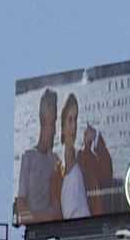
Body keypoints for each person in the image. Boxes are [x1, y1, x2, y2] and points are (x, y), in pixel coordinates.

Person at [15, 88, 62, 223]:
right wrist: (42, 217)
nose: (54, 131)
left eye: (55, 123)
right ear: (42, 121)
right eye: (51, 124)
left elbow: (57, 208)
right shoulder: (28, 158)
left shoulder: (55, 161)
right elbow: (21, 208)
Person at [57, 94, 91, 220]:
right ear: (62, 127)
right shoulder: (57, 170)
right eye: (70, 120)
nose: (74, 126)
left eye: (75, 119)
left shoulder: (83, 159)